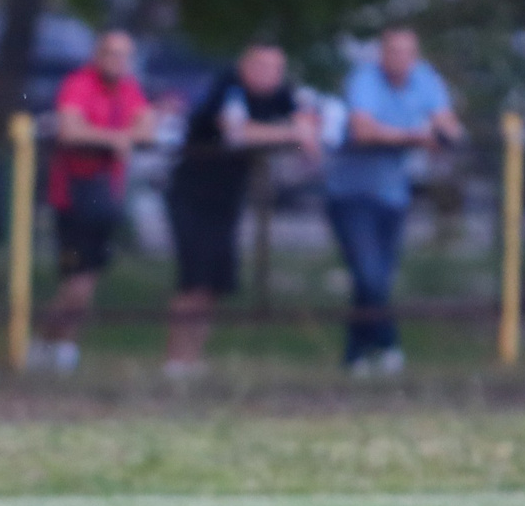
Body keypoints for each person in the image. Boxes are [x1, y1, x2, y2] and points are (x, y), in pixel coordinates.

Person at [164, 43, 318, 376]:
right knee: (193, 278)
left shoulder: (278, 92)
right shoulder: (228, 87)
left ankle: (193, 357)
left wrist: (305, 128)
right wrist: (292, 133)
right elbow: (237, 132)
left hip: (227, 198)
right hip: (192, 194)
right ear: (245, 66)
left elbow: (307, 120)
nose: (270, 74)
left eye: (277, 68)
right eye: (262, 66)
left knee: (214, 282)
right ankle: (176, 358)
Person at [330, 26, 463, 376]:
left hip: (392, 195)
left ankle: (356, 355)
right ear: (381, 54)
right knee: (369, 275)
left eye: (407, 52)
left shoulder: (425, 79)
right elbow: (363, 129)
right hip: (351, 194)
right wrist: (419, 137)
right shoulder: (365, 80)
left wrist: (444, 135)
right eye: (393, 51)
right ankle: (388, 344)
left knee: (376, 280)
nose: (400, 59)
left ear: (415, 55)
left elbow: (449, 126)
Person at [36, 29, 155, 372]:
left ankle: (57, 346)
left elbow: (146, 128)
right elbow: (70, 130)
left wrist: (114, 137)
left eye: (125, 55)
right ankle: (54, 344)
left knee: (86, 279)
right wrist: (116, 138)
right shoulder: (80, 84)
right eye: (111, 54)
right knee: (77, 279)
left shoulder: (128, 89)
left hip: (105, 196)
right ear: (97, 55)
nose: (119, 62)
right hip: (73, 195)